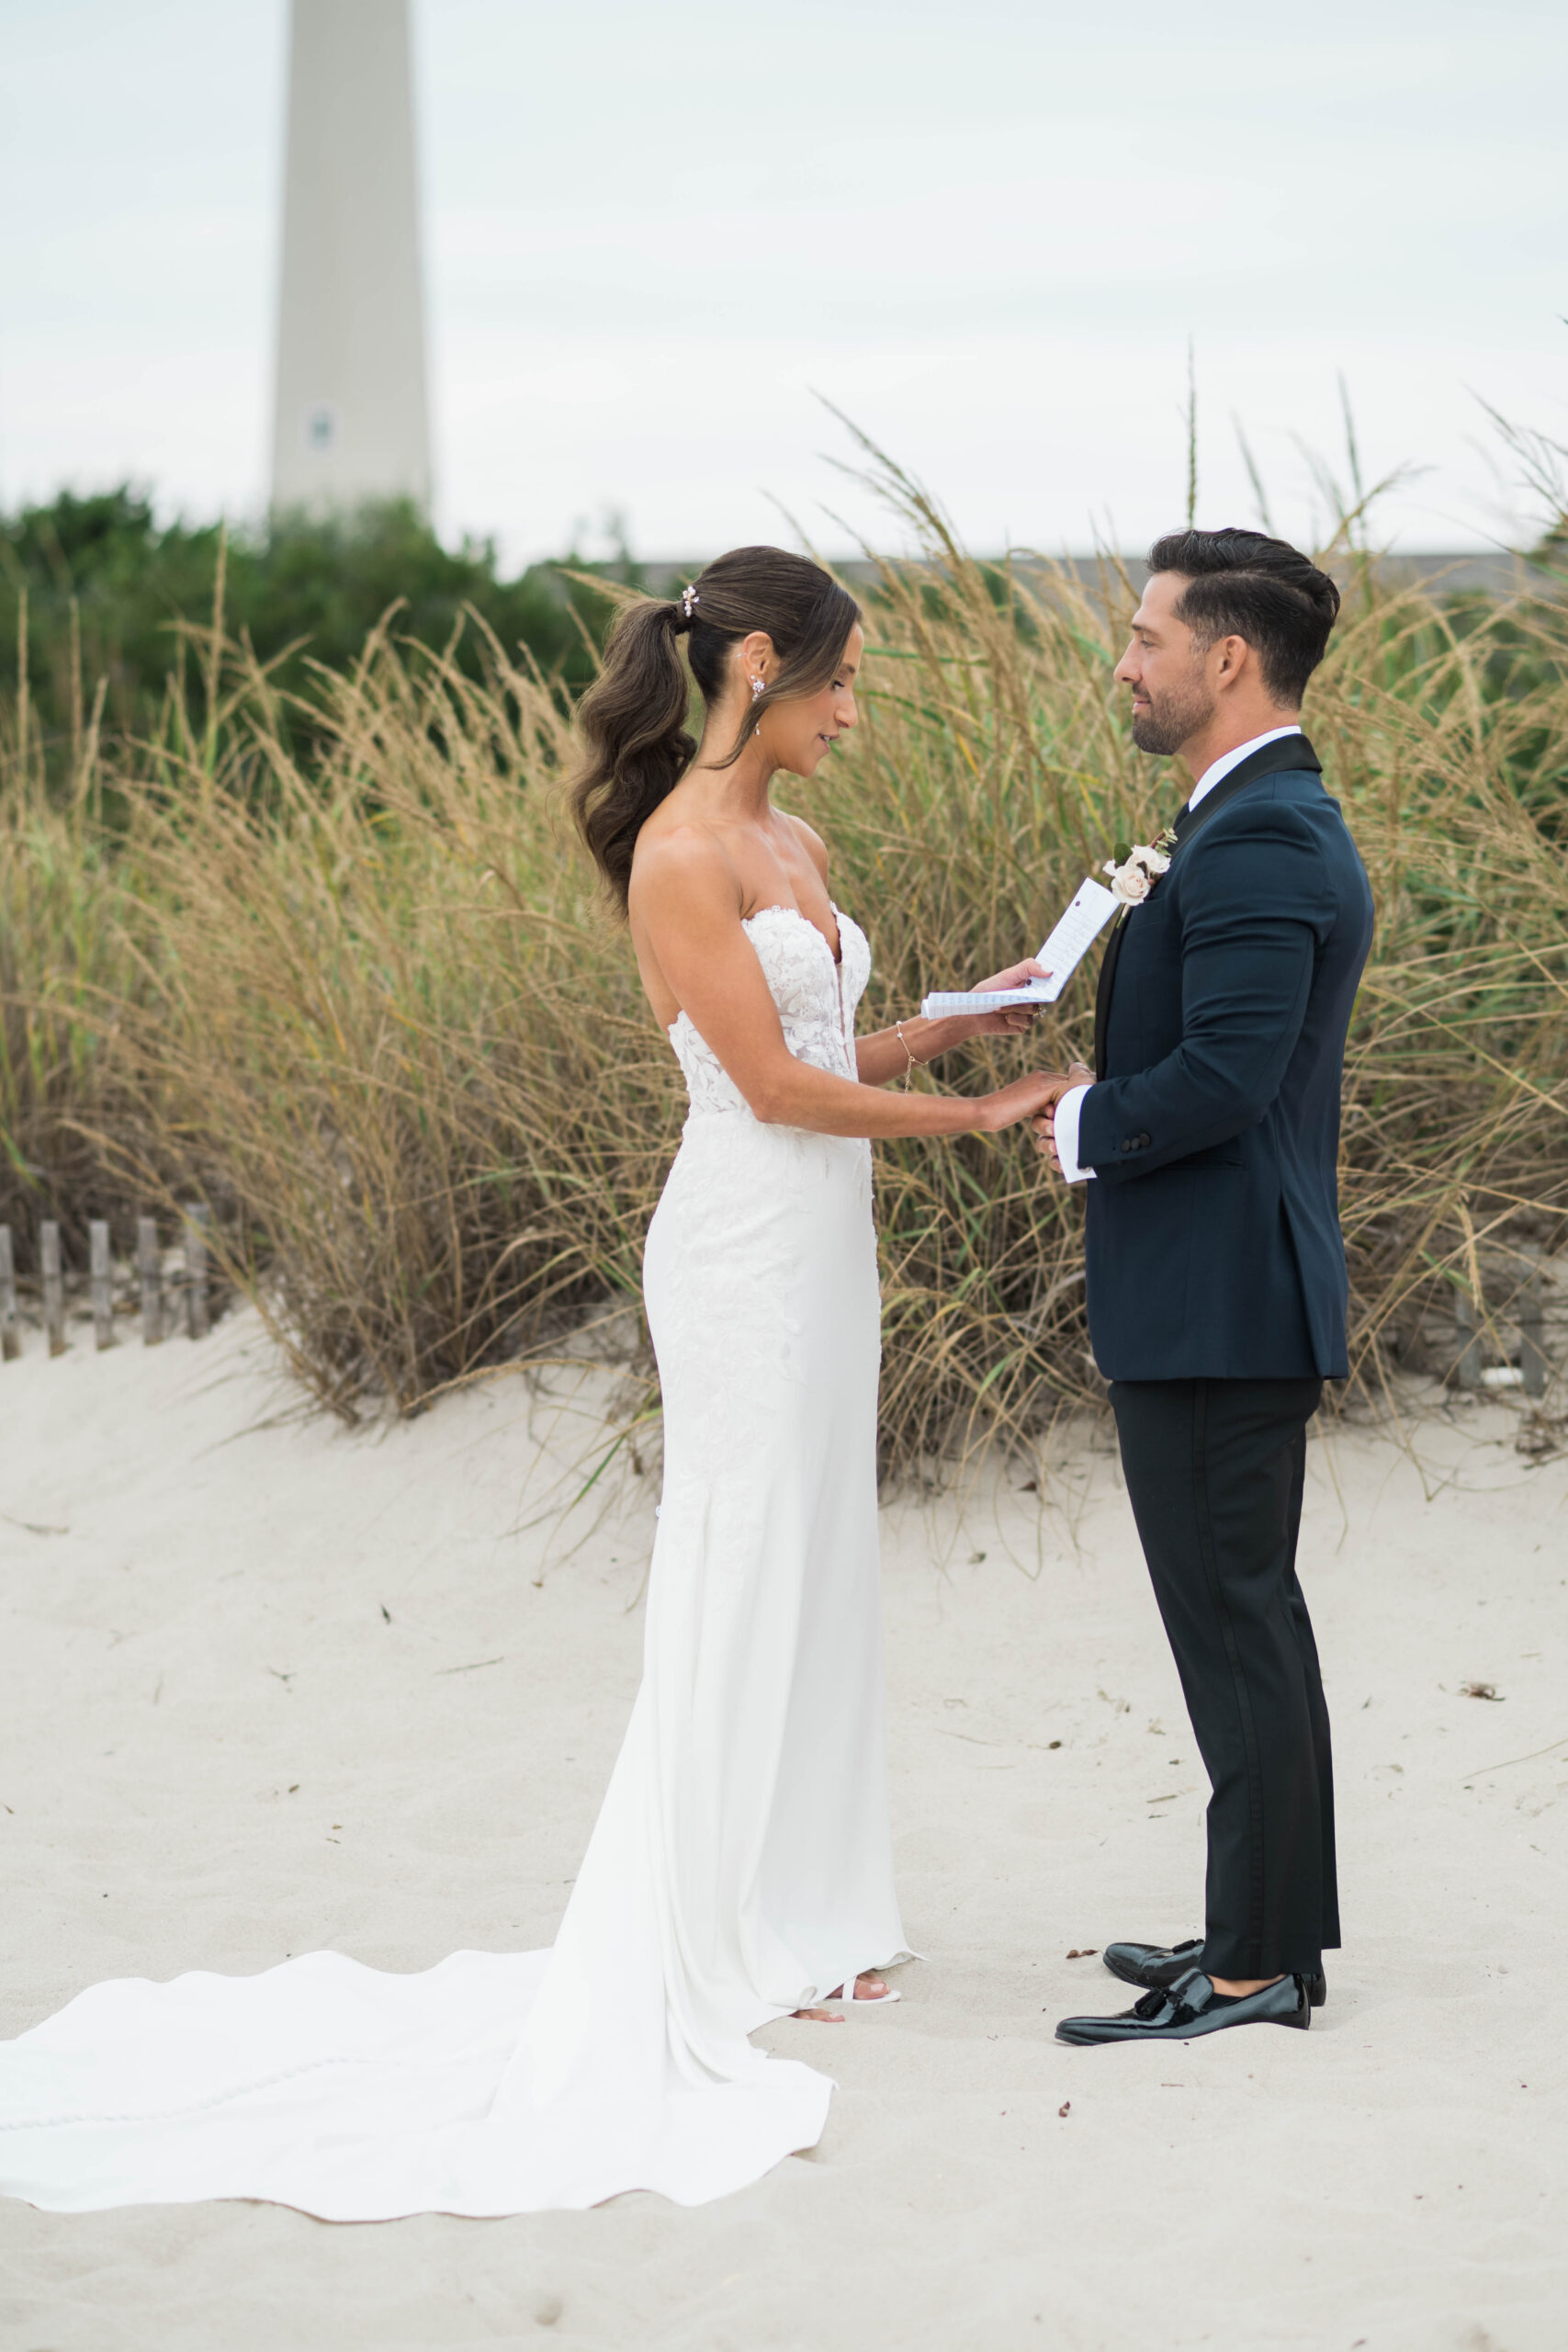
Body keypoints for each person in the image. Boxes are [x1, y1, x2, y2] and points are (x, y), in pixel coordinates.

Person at [0, 547, 1058, 2218]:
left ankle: (812, 1917)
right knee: (740, 1551)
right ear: (762, 664)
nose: (856, 713)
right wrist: (984, 1125)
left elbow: (830, 1053)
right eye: (843, 680)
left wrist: (960, 1033)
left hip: (826, 1251)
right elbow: (768, 1093)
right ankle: (718, 1927)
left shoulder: (797, 837)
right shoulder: (678, 852)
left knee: (817, 1556)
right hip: (740, 1249)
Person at [1031, 527, 1375, 2047]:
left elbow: (1229, 1074)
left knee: (1236, 1622)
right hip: (1214, 1289)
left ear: (1227, 658)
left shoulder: (1264, 839)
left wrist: (1079, 1119)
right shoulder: (1252, 820)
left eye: (1147, 634)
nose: (1127, 659)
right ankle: (1265, 1936)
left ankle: (1252, 1971)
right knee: (1242, 1621)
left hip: (1222, 1295)